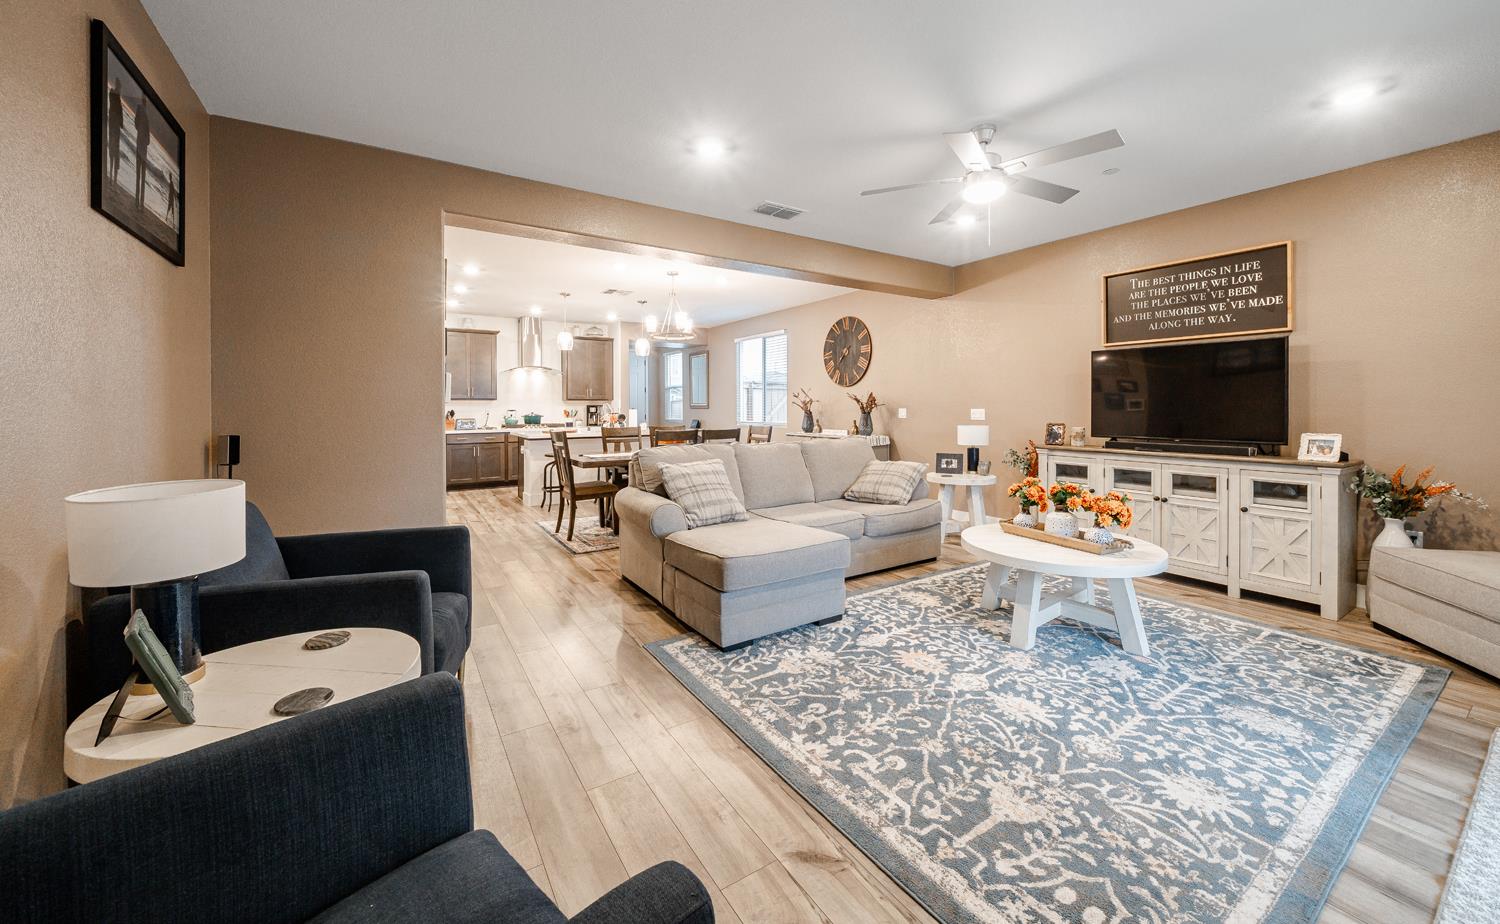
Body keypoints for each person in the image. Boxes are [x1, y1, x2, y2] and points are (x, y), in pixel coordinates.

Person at [133, 99, 150, 207]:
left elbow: (136, 124)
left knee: (139, 176)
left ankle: (138, 201)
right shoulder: (145, 115)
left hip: (140, 147)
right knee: (141, 177)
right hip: (142, 150)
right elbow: (148, 141)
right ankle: (140, 202)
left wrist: (140, 131)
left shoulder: (140, 111)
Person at [106, 79, 123, 182]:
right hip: (114, 127)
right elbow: (120, 119)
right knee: (114, 150)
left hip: (113, 125)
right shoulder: (115, 96)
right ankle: (113, 176)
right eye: (120, 88)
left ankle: (113, 175)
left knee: (113, 150)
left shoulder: (113, 95)